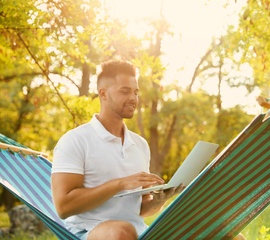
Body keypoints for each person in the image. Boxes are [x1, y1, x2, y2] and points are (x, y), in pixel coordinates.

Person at [51, 60, 183, 240]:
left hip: (138, 232)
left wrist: (160, 199)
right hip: (89, 231)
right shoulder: (75, 140)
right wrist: (120, 184)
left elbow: (142, 209)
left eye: (136, 92)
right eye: (125, 91)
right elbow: (63, 207)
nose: (133, 98)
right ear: (103, 93)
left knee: (205, 225)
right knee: (121, 231)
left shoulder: (140, 145)